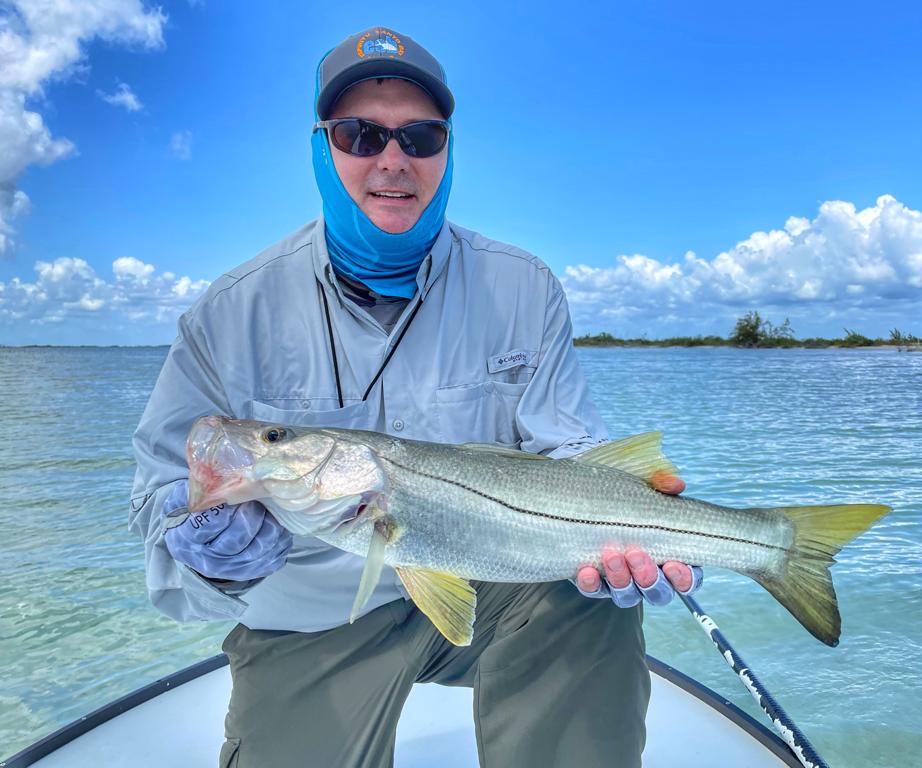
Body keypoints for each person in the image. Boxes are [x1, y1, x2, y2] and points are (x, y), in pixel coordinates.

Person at [130, 26, 702, 768]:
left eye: (420, 136)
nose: (392, 160)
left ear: (447, 149)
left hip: (495, 584)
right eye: (359, 134)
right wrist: (205, 553)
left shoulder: (522, 286)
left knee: (587, 600)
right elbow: (155, 501)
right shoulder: (228, 313)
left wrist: (630, 510)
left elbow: (568, 449)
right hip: (312, 620)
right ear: (322, 148)